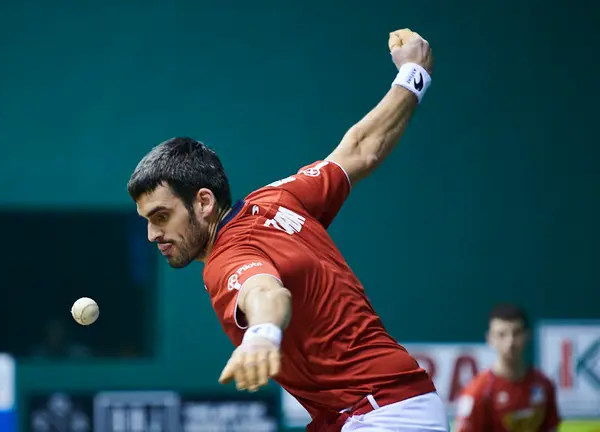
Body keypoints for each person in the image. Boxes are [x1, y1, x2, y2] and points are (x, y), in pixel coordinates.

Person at [128, 28, 446, 431]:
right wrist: (414, 74)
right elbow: (361, 149)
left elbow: (265, 291)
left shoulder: (226, 259)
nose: (152, 235)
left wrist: (261, 334)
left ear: (203, 202)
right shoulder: (281, 198)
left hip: (382, 414)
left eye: (161, 216)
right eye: (147, 221)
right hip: (376, 409)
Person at [454, 304, 560, 432]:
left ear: (528, 335)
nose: (510, 342)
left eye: (516, 333)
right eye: (502, 334)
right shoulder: (478, 392)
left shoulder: (544, 384)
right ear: (490, 339)